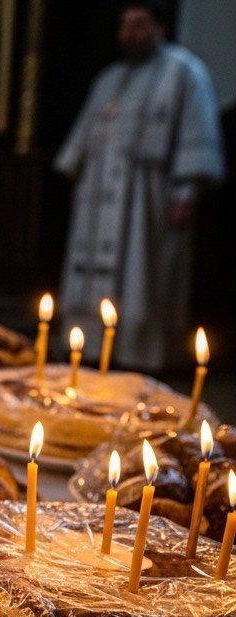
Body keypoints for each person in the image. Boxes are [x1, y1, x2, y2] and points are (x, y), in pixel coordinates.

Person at [55, 0, 225, 371]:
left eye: (139, 24)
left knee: (143, 277)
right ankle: (92, 347)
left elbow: (197, 136)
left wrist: (187, 191)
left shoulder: (185, 72)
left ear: (160, 28)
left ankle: (140, 356)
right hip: (99, 196)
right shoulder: (110, 77)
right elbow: (83, 141)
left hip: (147, 197)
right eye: (125, 24)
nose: (130, 33)